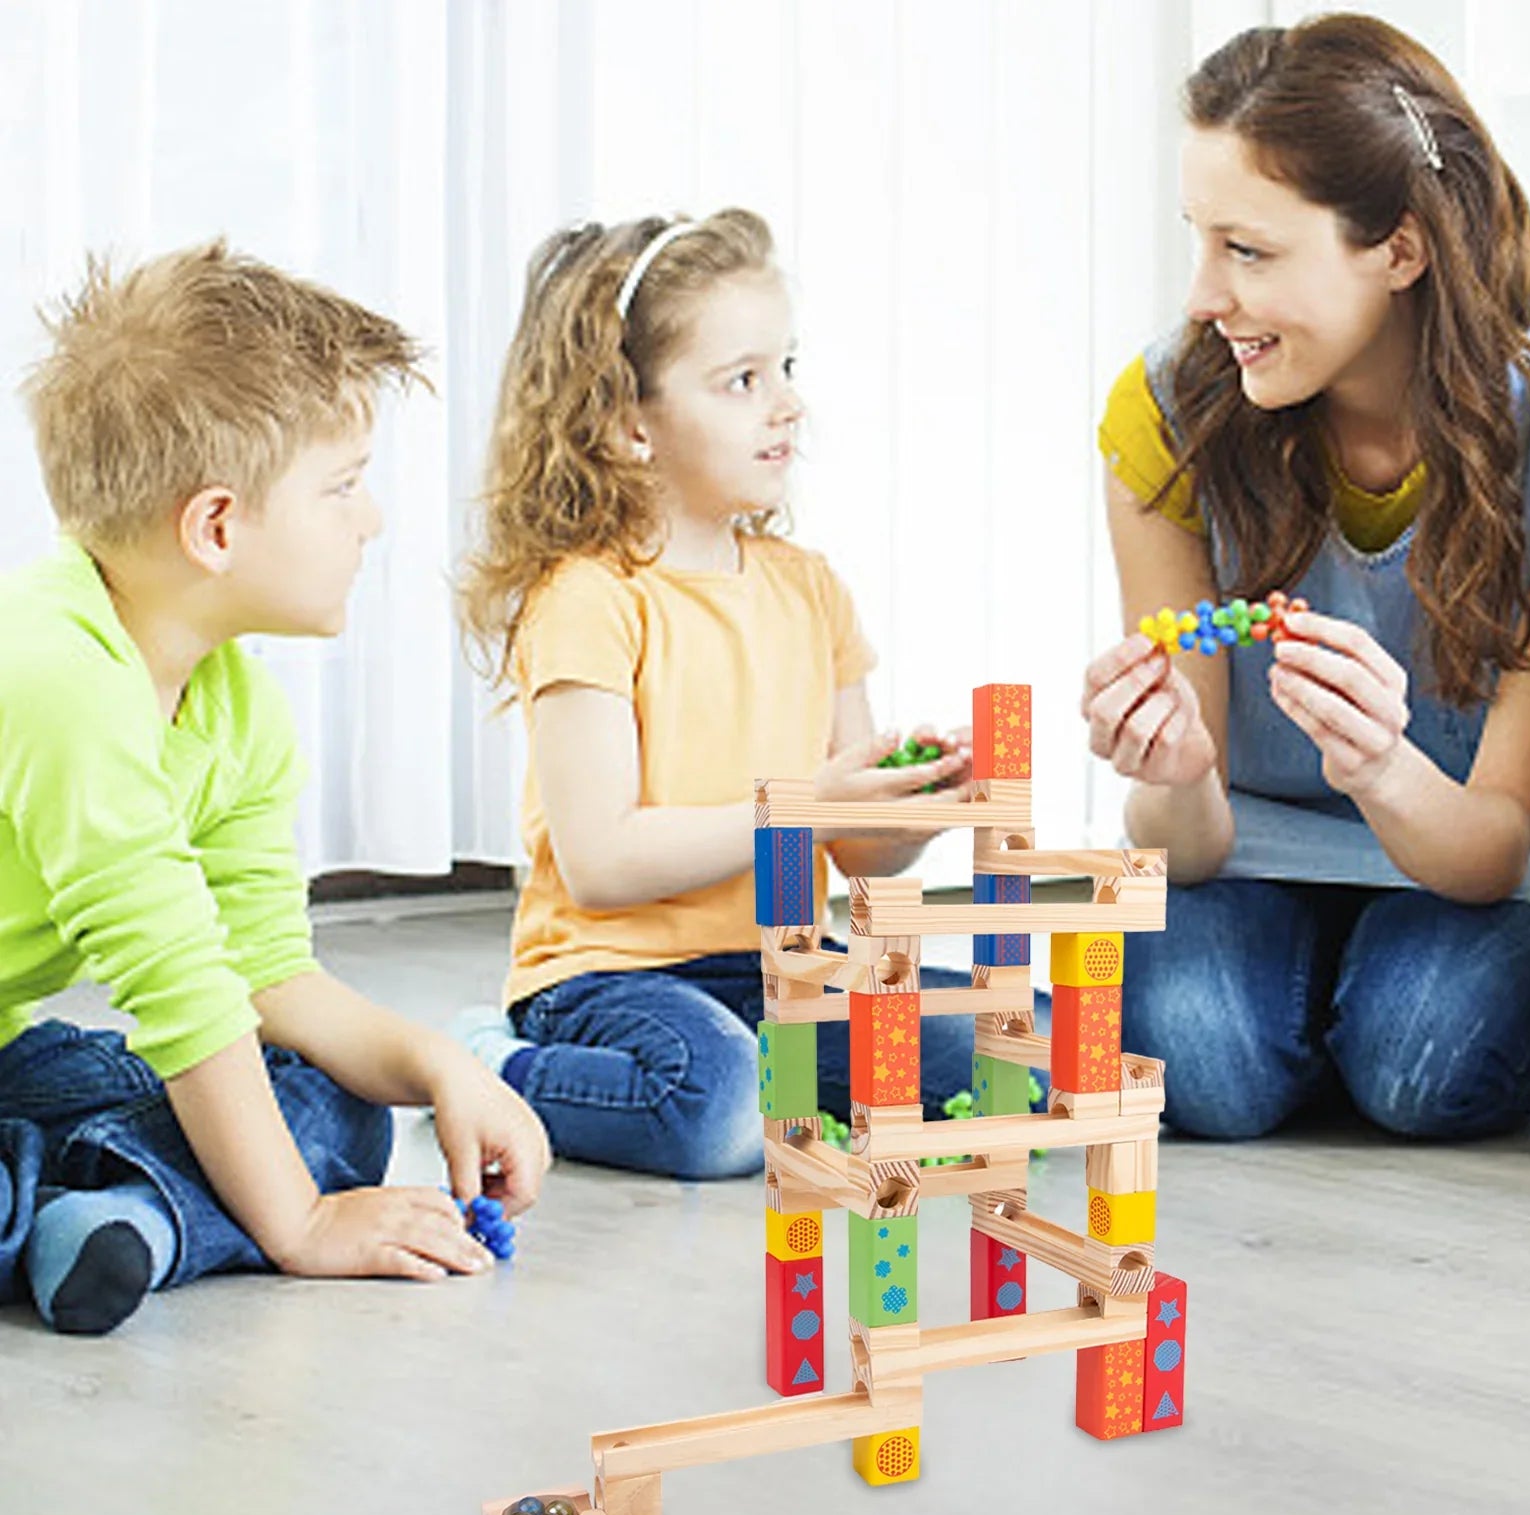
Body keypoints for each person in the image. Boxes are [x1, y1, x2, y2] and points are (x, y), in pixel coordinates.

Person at [0, 242, 550, 1335]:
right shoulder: (53, 667)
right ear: (216, 526)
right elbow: (177, 986)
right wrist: (298, 1223)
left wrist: (439, 1061)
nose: (372, 519)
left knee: (340, 1096)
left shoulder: (238, 707)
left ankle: (99, 1216)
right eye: (342, 486)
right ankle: (92, 1199)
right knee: (258, 1125)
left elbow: (261, 975)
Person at [1079, 15, 1530, 1141]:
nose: (1200, 297)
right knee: (1203, 1066)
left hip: (1470, 848)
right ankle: (1305, 1018)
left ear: (1398, 250)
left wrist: (1375, 761)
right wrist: (1170, 770)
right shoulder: (1164, 411)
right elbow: (1188, 840)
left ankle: (1340, 1021)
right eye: (1198, 240)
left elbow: (1495, 833)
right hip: (1250, 840)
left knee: (1422, 1057)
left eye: (1247, 251)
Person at [454, 208, 1045, 1179]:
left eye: (786, 368)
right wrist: (808, 803)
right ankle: (496, 1064)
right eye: (742, 380)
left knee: (1032, 1044)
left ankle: (803, 1086)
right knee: (714, 1103)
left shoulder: (808, 589)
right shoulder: (588, 600)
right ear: (626, 421)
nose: (786, 406)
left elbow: (856, 858)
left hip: (783, 966)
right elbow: (600, 860)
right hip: (611, 976)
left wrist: (913, 805)